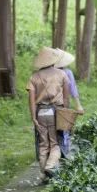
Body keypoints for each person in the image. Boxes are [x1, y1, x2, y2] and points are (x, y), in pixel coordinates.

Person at [27, 47, 69, 182]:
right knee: (55, 143)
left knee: (43, 144)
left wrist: (33, 117)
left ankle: (43, 175)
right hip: (56, 111)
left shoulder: (34, 77)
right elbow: (66, 97)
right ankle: (50, 166)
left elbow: (31, 100)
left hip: (40, 112)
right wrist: (65, 113)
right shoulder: (62, 74)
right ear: (54, 60)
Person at [54, 49, 84, 156]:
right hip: (63, 103)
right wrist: (78, 105)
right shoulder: (67, 72)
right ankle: (63, 150)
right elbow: (73, 89)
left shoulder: (47, 73)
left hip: (48, 104)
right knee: (63, 126)